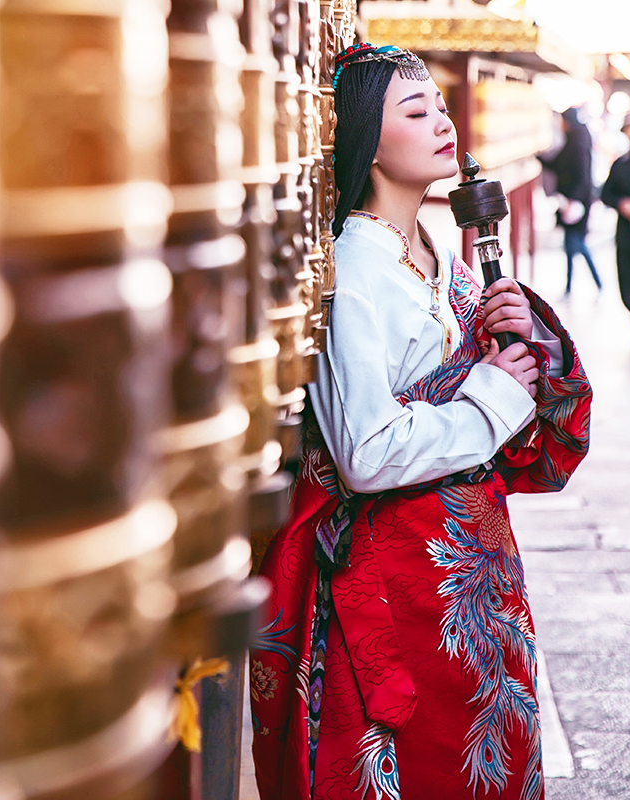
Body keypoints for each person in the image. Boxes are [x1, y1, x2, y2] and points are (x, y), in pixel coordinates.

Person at [249, 44, 592, 800]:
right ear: (367, 138)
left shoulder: (436, 251)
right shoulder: (358, 269)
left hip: (471, 569)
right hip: (400, 579)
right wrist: (496, 397)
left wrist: (508, 334)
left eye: (439, 106)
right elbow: (364, 453)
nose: (443, 122)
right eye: (416, 110)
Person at [538, 107, 602, 297]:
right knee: (572, 244)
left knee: (576, 243)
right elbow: (557, 163)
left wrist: (573, 199)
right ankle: (573, 287)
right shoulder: (575, 139)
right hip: (573, 201)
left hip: (577, 203)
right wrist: (538, 156)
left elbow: (581, 175)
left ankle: (593, 284)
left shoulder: (578, 143)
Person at [601, 109, 630, 339]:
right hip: (628, 235)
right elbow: (606, 194)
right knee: (628, 284)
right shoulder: (621, 165)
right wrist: (621, 203)